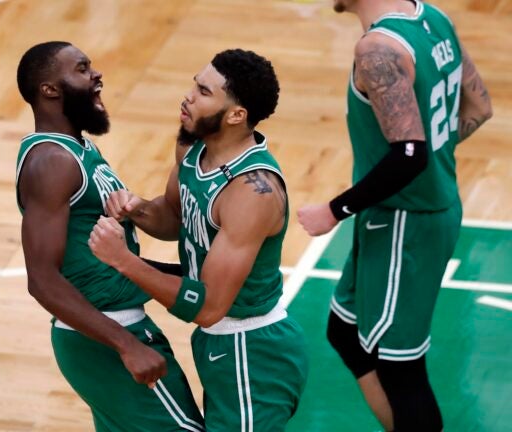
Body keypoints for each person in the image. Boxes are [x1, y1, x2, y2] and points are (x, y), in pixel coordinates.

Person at [296, 0, 493, 430]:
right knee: (344, 331)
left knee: (402, 370)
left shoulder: (377, 50)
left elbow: (409, 156)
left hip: (407, 223)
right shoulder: (435, 19)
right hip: (404, 214)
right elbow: (478, 108)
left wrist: (333, 210)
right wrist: (433, 149)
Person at [89, 48, 309, 432]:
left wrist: (124, 261)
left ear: (237, 115)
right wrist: (137, 208)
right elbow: (175, 218)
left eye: (204, 92)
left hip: (253, 349)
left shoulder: (251, 192)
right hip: (219, 345)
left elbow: (209, 307)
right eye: (194, 84)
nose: (188, 96)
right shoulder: (193, 148)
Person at [14, 41, 203, 432]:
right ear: (50, 89)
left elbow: (98, 259)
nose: (96, 75)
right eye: (82, 69)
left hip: (109, 330)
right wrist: (126, 345)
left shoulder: (80, 149)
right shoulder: (52, 161)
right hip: (104, 335)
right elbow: (42, 279)